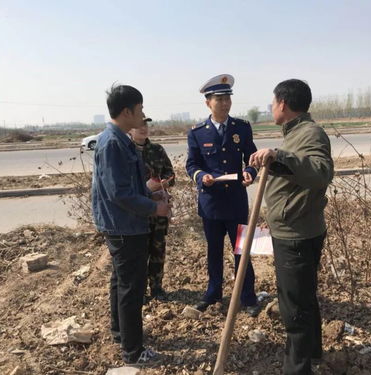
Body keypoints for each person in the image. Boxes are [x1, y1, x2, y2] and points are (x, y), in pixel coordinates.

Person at [249, 79, 334, 375]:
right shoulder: (295, 134)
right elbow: (296, 173)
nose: (271, 108)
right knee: (304, 297)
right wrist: (275, 158)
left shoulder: (310, 133)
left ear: (283, 103)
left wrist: (281, 155)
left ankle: (296, 369)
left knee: (294, 308)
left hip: (296, 234)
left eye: (272, 103)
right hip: (295, 227)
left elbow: (320, 172)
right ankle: (312, 354)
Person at [91, 84, 170, 365]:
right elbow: (119, 193)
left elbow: (128, 185)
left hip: (122, 223)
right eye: (140, 109)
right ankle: (133, 352)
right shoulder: (113, 142)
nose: (143, 115)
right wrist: (155, 207)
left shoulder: (118, 138)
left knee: (120, 282)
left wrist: (149, 193)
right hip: (125, 225)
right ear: (127, 112)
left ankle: (120, 333)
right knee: (131, 287)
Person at [186, 73, 260, 317]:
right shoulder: (197, 132)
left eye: (228, 98)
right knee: (214, 251)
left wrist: (250, 171)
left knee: (242, 249)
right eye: (219, 99)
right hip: (211, 203)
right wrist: (200, 176)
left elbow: (252, 158)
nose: (225, 103)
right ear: (208, 102)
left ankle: (247, 296)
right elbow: (192, 164)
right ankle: (213, 292)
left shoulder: (241, 128)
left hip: (236, 201)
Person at [130, 116, 175, 300]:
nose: (143, 128)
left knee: (158, 249)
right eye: (139, 125)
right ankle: (140, 292)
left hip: (158, 209)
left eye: (146, 124)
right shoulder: (127, 151)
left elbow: (171, 174)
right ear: (129, 129)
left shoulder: (156, 150)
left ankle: (157, 288)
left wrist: (163, 183)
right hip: (138, 212)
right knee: (139, 253)